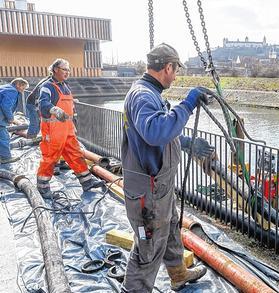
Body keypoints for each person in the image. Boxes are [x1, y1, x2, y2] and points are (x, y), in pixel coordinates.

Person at [121, 43, 215, 292]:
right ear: (167, 67)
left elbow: (152, 133)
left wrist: (185, 142)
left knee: (171, 227)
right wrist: (187, 104)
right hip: (147, 191)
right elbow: (155, 131)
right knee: (148, 246)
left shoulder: (149, 94)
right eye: (175, 70)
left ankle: (178, 274)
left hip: (158, 187)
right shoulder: (143, 95)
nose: (175, 76)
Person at [36, 58, 104, 198]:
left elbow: (68, 105)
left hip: (67, 128)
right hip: (53, 128)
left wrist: (72, 111)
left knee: (75, 153)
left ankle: (87, 182)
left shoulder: (65, 86)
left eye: (68, 69)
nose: (67, 72)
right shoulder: (47, 86)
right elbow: (43, 104)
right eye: (64, 69)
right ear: (55, 69)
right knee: (50, 156)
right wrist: (55, 110)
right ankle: (43, 187)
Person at [0, 78, 29, 163]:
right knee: (4, 137)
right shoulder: (12, 91)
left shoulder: (4, 87)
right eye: (23, 88)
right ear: (18, 84)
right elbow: (6, 106)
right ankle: (5, 158)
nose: (23, 91)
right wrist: (11, 119)